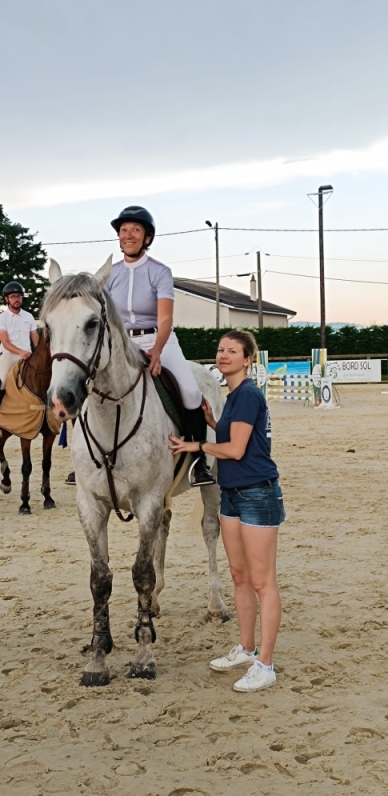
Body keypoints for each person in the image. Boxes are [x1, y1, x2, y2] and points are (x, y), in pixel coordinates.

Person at [169, 330, 285, 692]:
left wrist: (196, 443)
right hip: (232, 495)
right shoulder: (233, 396)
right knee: (239, 576)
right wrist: (211, 421)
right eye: (221, 350)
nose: (224, 355)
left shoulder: (248, 394)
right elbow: (234, 435)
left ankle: (265, 665)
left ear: (248, 359)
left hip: (257, 494)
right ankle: (246, 649)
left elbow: (235, 450)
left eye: (233, 351)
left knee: (263, 582)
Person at [106, 205, 214, 486]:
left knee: (190, 393)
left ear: (147, 238)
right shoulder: (109, 275)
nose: (128, 235)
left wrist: (156, 350)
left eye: (135, 230)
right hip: (121, 343)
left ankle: (198, 460)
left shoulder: (160, 272)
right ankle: (91, 454)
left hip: (157, 338)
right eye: (123, 230)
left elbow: (165, 319)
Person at [0, 281, 39, 413]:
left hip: (28, 356)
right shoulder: (1, 318)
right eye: (13, 296)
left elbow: (35, 338)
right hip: (9, 356)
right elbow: (5, 342)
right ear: (6, 299)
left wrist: (39, 353)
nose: (16, 299)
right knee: (1, 382)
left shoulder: (28, 316)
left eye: (18, 296)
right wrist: (20, 352)